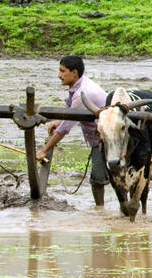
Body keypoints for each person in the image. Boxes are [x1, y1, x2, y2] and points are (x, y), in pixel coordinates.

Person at [35, 54, 110, 206]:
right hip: (100, 137)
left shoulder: (83, 94)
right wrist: (58, 121)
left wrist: (44, 150)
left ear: (74, 73)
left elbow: (64, 129)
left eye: (63, 71)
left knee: (98, 179)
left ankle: (100, 212)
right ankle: (100, 211)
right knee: (106, 176)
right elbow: (69, 113)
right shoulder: (79, 86)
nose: (59, 75)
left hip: (107, 139)